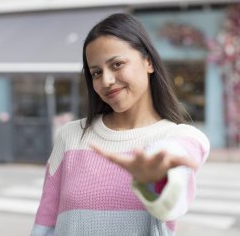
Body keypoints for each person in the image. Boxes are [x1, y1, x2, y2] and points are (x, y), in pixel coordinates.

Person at [30, 13, 210, 236]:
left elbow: (172, 205)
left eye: (117, 64)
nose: (106, 80)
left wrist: (155, 179)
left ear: (149, 62)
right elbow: (45, 225)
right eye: (96, 73)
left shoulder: (181, 138)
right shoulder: (71, 136)